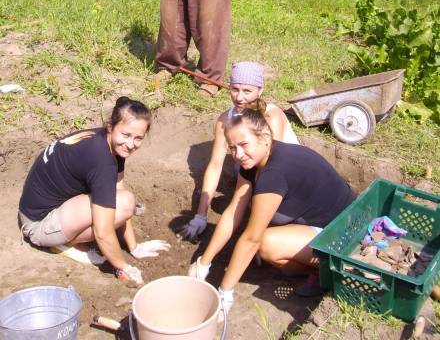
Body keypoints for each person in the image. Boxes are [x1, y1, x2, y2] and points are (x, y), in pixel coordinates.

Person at [189, 108, 356, 309]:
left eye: (243, 144)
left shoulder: (274, 173)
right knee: (263, 235)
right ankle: (317, 272)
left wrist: (224, 292)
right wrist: (203, 262)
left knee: (265, 244)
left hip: (346, 234)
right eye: (232, 148)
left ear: (265, 138)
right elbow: (234, 210)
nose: (238, 154)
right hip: (323, 221)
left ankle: (330, 273)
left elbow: (252, 239)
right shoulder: (256, 160)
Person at [18, 96, 170, 285]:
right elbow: (103, 232)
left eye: (138, 138)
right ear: (110, 126)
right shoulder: (101, 161)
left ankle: (65, 235)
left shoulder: (106, 142)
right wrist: (124, 267)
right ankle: (62, 243)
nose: (131, 144)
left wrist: (134, 247)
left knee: (124, 202)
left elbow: (118, 192)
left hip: (40, 208)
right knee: (124, 205)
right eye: (126, 135)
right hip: (37, 225)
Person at [181, 61, 299, 241]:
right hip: (253, 171)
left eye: (247, 91)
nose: (239, 97)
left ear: (260, 90)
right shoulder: (224, 121)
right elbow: (215, 166)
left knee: (273, 215)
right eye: (235, 89)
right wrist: (200, 214)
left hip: (288, 175)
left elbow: (274, 166)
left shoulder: (271, 116)